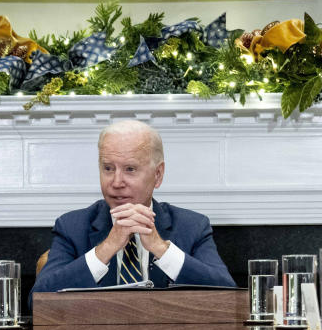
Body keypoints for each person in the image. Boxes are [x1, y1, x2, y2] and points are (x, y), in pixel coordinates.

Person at [31, 120, 234, 300]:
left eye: (130, 169)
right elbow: (37, 303)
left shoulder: (192, 226)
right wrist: (106, 248)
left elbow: (229, 296)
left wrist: (161, 249)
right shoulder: (72, 227)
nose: (117, 182)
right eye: (108, 168)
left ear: (158, 175)